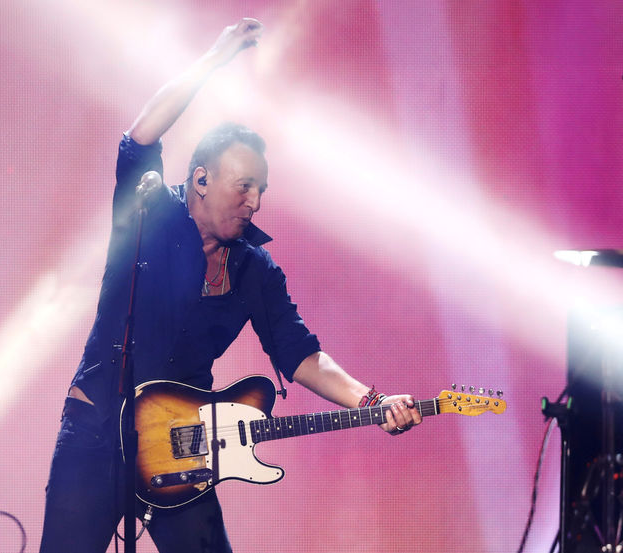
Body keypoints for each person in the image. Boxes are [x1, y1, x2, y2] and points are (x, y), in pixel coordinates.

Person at [39, 18, 422, 553]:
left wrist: (372, 401)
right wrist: (214, 59)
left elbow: (302, 355)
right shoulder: (150, 215)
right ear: (201, 179)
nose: (256, 202)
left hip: (185, 447)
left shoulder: (255, 270)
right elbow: (139, 137)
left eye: (261, 189)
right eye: (244, 186)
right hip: (99, 428)